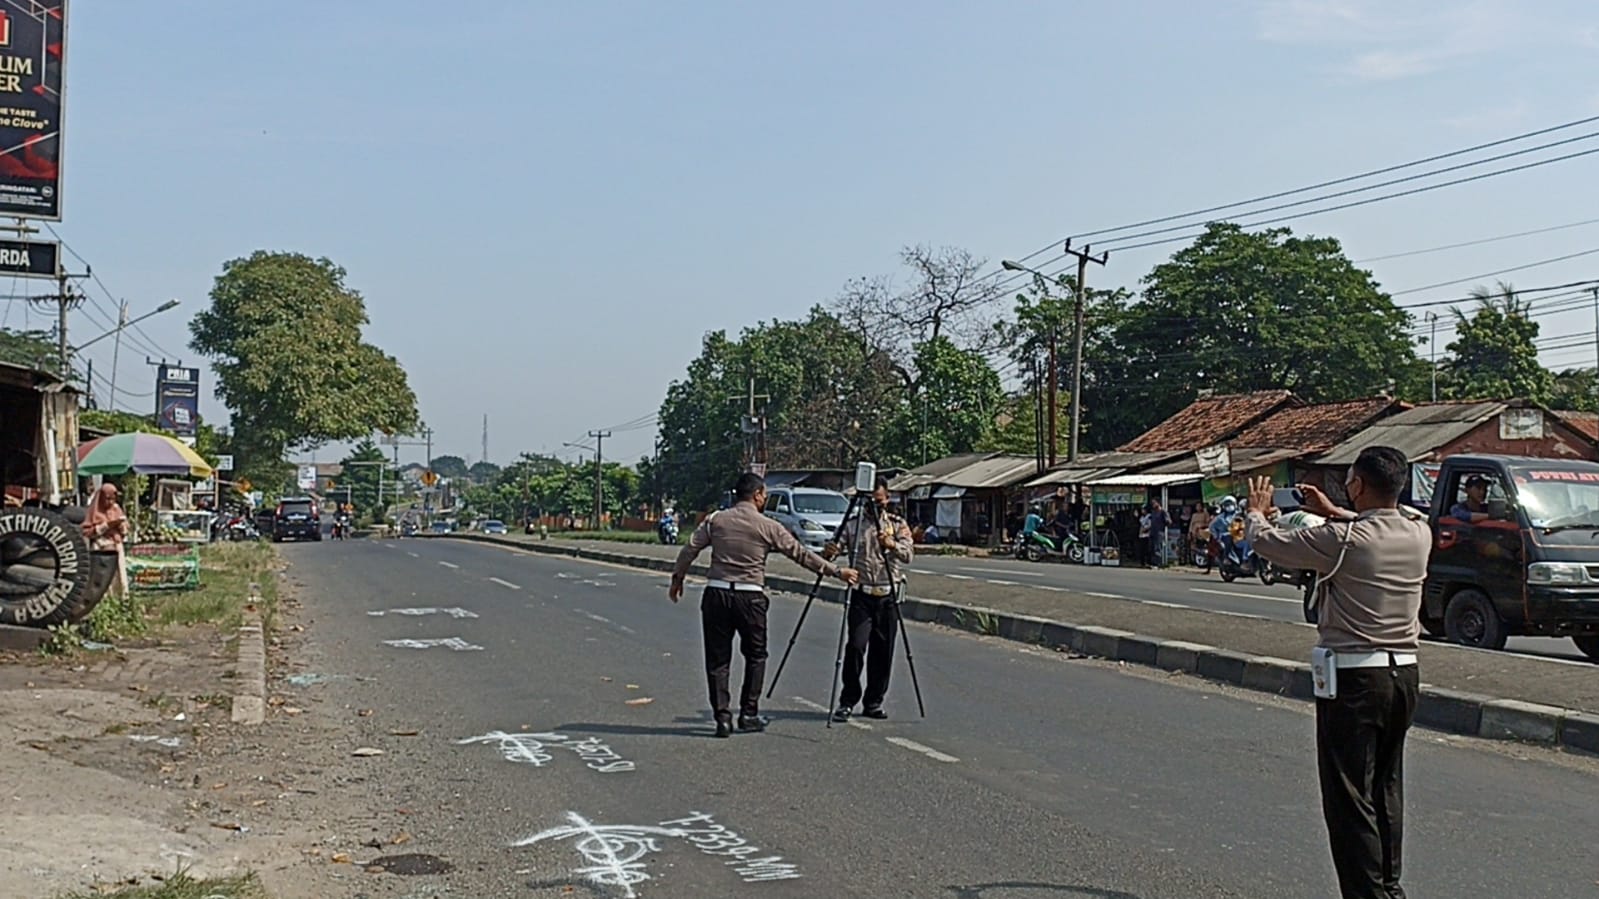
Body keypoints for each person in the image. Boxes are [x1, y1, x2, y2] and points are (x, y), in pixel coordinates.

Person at [1244, 447, 1430, 899]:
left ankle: (1366, 894)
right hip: (1403, 674)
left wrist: (1256, 513)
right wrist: (1337, 511)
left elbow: (1269, 544)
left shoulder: (1343, 542)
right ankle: (1388, 887)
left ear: (1360, 485)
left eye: (1349, 480)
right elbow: (1389, 516)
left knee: (1349, 798)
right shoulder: (1418, 531)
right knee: (1386, 789)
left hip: (1354, 679)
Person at [671, 472, 859, 738]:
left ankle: (722, 719)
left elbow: (689, 549)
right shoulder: (767, 525)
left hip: (717, 594)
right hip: (750, 597)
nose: (765, 499)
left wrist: (678, 578)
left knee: (718, 661)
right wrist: (836, 571)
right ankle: (748, 713)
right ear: (758, 495)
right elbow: (800, 553)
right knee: (756, 656)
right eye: (764, 495)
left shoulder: (715, 520)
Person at [824, 478, 913, 722]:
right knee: (855, 645)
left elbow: (908, 555)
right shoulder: (854, 525)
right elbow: (833, 550)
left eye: (879, 501)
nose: (875, 506)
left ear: (887, 499)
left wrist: (891, 544)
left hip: (888, 594)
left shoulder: (897, 524)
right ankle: (847, 699)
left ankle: (874, 701)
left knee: (883, 651)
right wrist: (829, 552)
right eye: (870, 502)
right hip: (862, 594)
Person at [83, 483, 130, 598]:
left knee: (119, 577)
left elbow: (125, 529)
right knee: (104, 579)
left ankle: (121, 601)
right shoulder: (94, 511)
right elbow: (88, 532)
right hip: (101, 548)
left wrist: (121, 526)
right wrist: (106, 525)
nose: (110, 502)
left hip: (116, 547)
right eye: (107, 499)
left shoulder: (116, 509)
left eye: (113, 499)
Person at [1147, 500, 1170, 567]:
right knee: (1151, 548)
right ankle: (1152, 563)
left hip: (1159, 532)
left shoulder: (1163, 512)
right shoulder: (1153, 512)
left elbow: (1168, 521)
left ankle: (1157, 563)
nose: (1153, 504)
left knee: (1157, 548)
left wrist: (1163, 524)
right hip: (1152, 532)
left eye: (1154, 503)